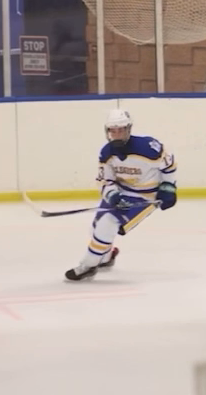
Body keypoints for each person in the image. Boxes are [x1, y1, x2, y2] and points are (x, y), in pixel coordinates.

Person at [65, 109, 178, 282]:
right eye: (113, 130)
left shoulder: (148, 148)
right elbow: (105, 181)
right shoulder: (106, 153)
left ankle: (88, 265)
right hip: (121, 192)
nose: (116, 134)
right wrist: (113, 196)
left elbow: (169, 166)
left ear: (128, 129)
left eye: (121, 130)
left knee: (108, 224)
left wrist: (168, 187)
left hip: (145, 197)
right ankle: (107, 256)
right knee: (96, 227)